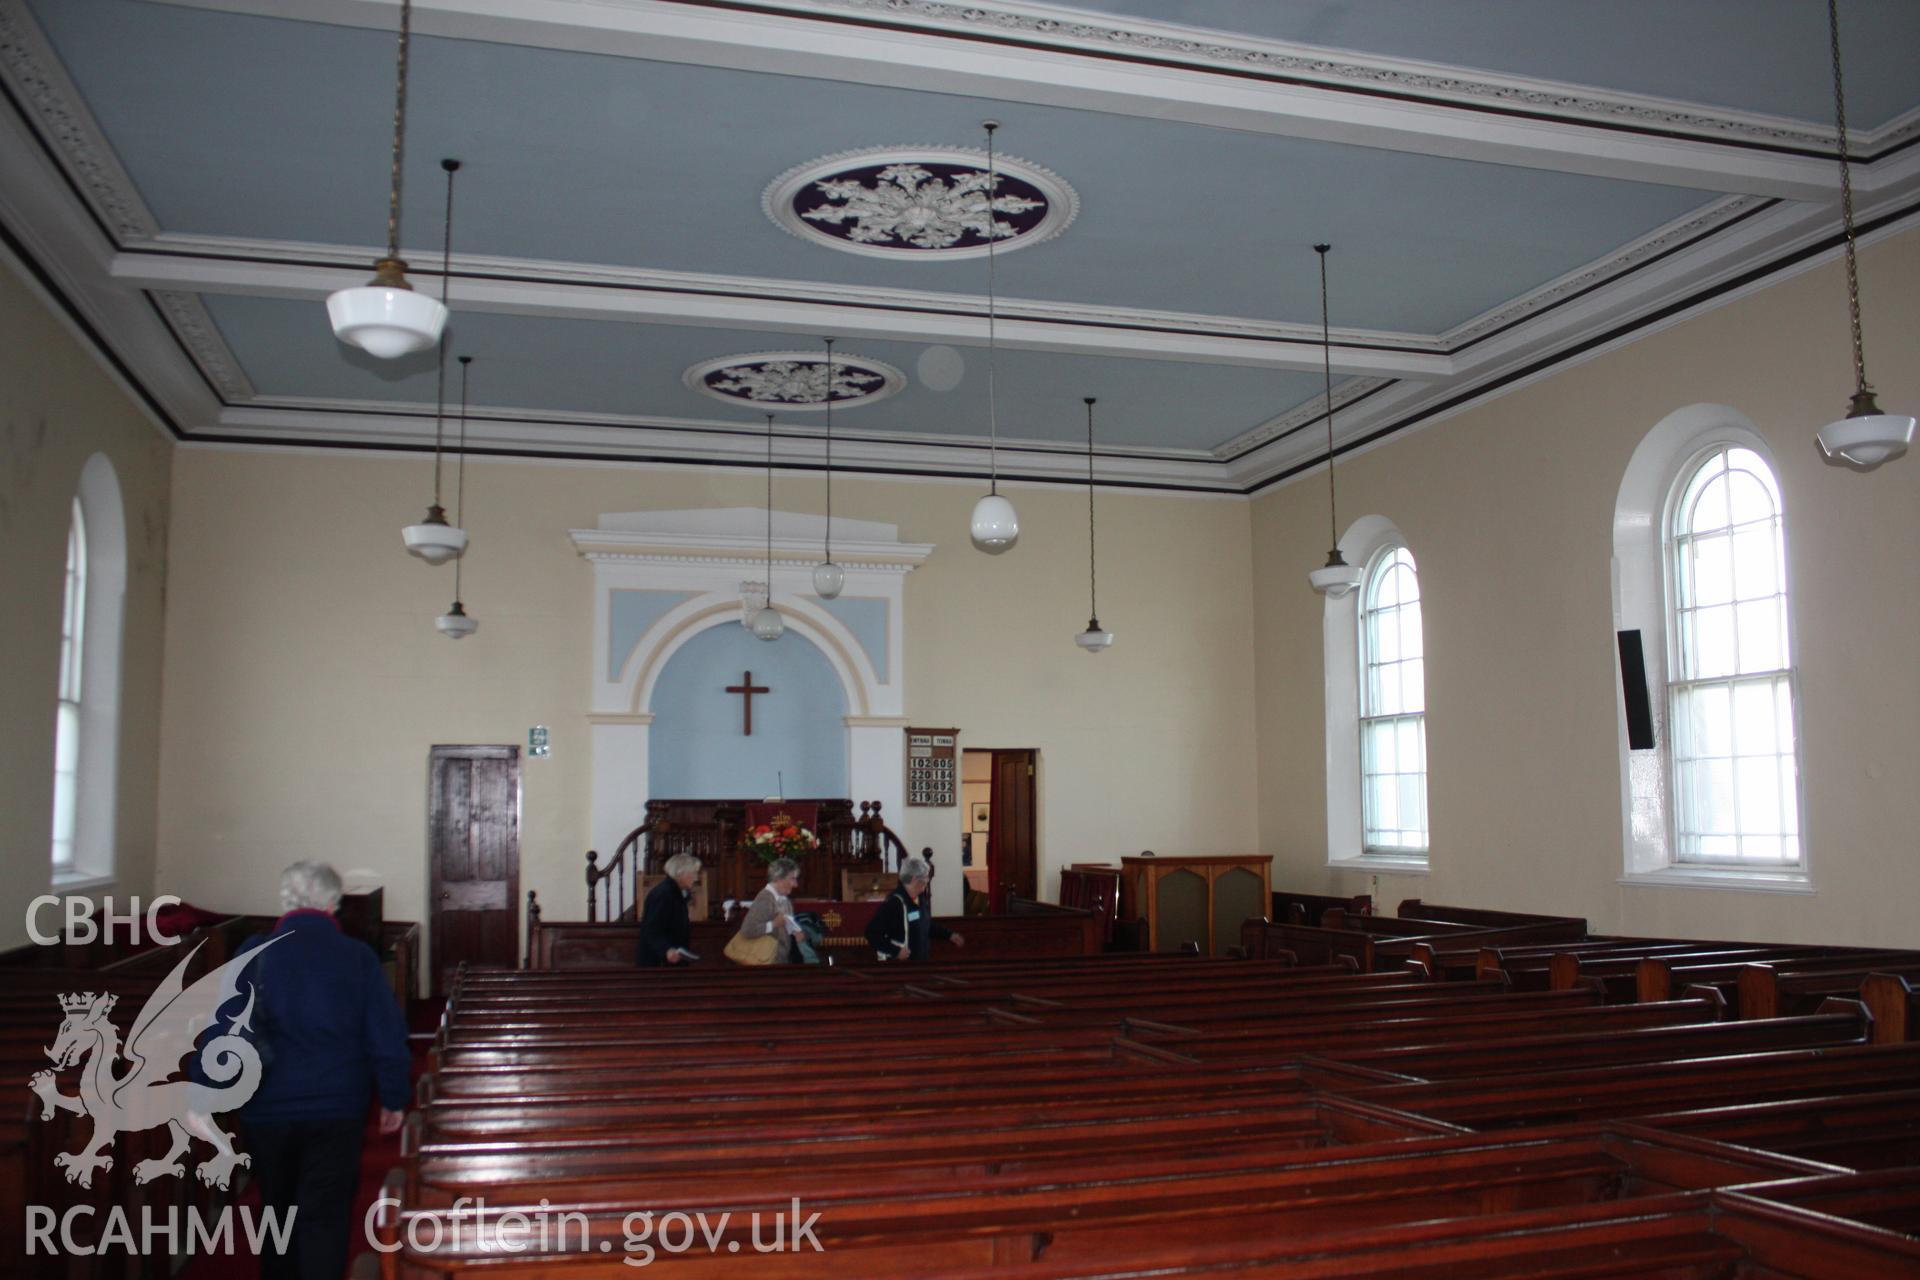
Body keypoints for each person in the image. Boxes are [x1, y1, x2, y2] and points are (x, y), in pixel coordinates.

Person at [234, 861, 410, 1280]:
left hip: (268, 1107)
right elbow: (385, 1034)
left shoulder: (253, 953)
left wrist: (203, 1096)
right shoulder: (357, 957)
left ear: (285, 900)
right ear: (334, 903)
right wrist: (393, 1096)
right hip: (337, 1106)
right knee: (325, 1214)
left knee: (277, 1210)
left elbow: (225, 1029)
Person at [864, 857, 965, 961]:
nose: (927, 880)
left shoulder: (920, 899)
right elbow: (871, 933)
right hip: (901, 969)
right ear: (914, 879)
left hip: (920, 963)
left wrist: (949, 935)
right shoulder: (894, 903)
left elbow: (926, 924)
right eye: (926, 877)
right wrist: (895, 951)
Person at [727, 857, 804, 964]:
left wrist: (795, 933)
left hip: (781, 961)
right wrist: (773, 924)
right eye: (792, 878)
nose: (795, 884)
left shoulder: (785, 900)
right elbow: (747, 930)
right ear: (778, 878)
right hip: (766, 963)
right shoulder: (765, 899)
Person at [638, 852, 701, 966]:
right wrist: (666, 950)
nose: (696, 878)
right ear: (680, 873)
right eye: (693, 873)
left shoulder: (677, 892)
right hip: (657, 963)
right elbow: (651, 928)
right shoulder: (663, 894)